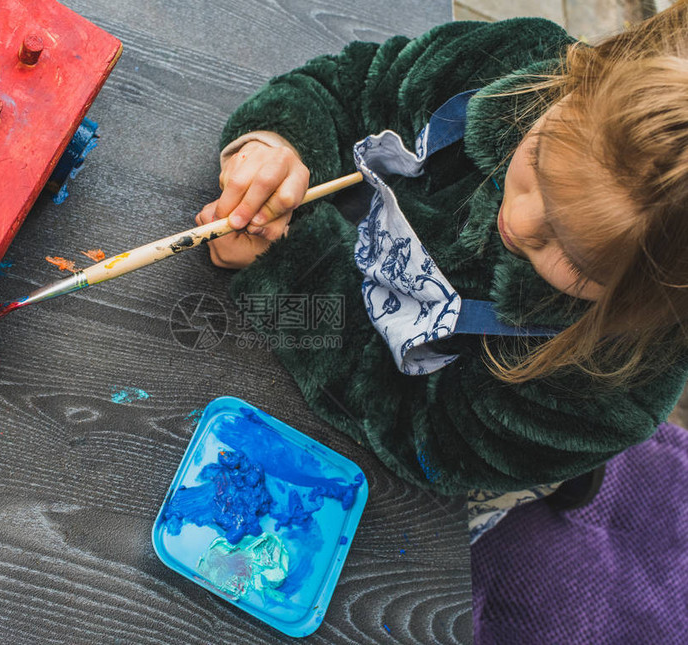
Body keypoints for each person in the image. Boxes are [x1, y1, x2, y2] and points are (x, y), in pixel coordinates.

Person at [194, 5, 688, 523]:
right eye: (538, 162)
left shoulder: (607, 393)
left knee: (505, 491)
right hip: (360, 262)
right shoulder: (502, 64)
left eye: (576, 258)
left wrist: (290, 269)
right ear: (582, 79)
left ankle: (563, 477)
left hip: (494, 434)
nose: (518, 224)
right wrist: (271, 146)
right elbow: (348, 87)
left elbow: (421, 438)